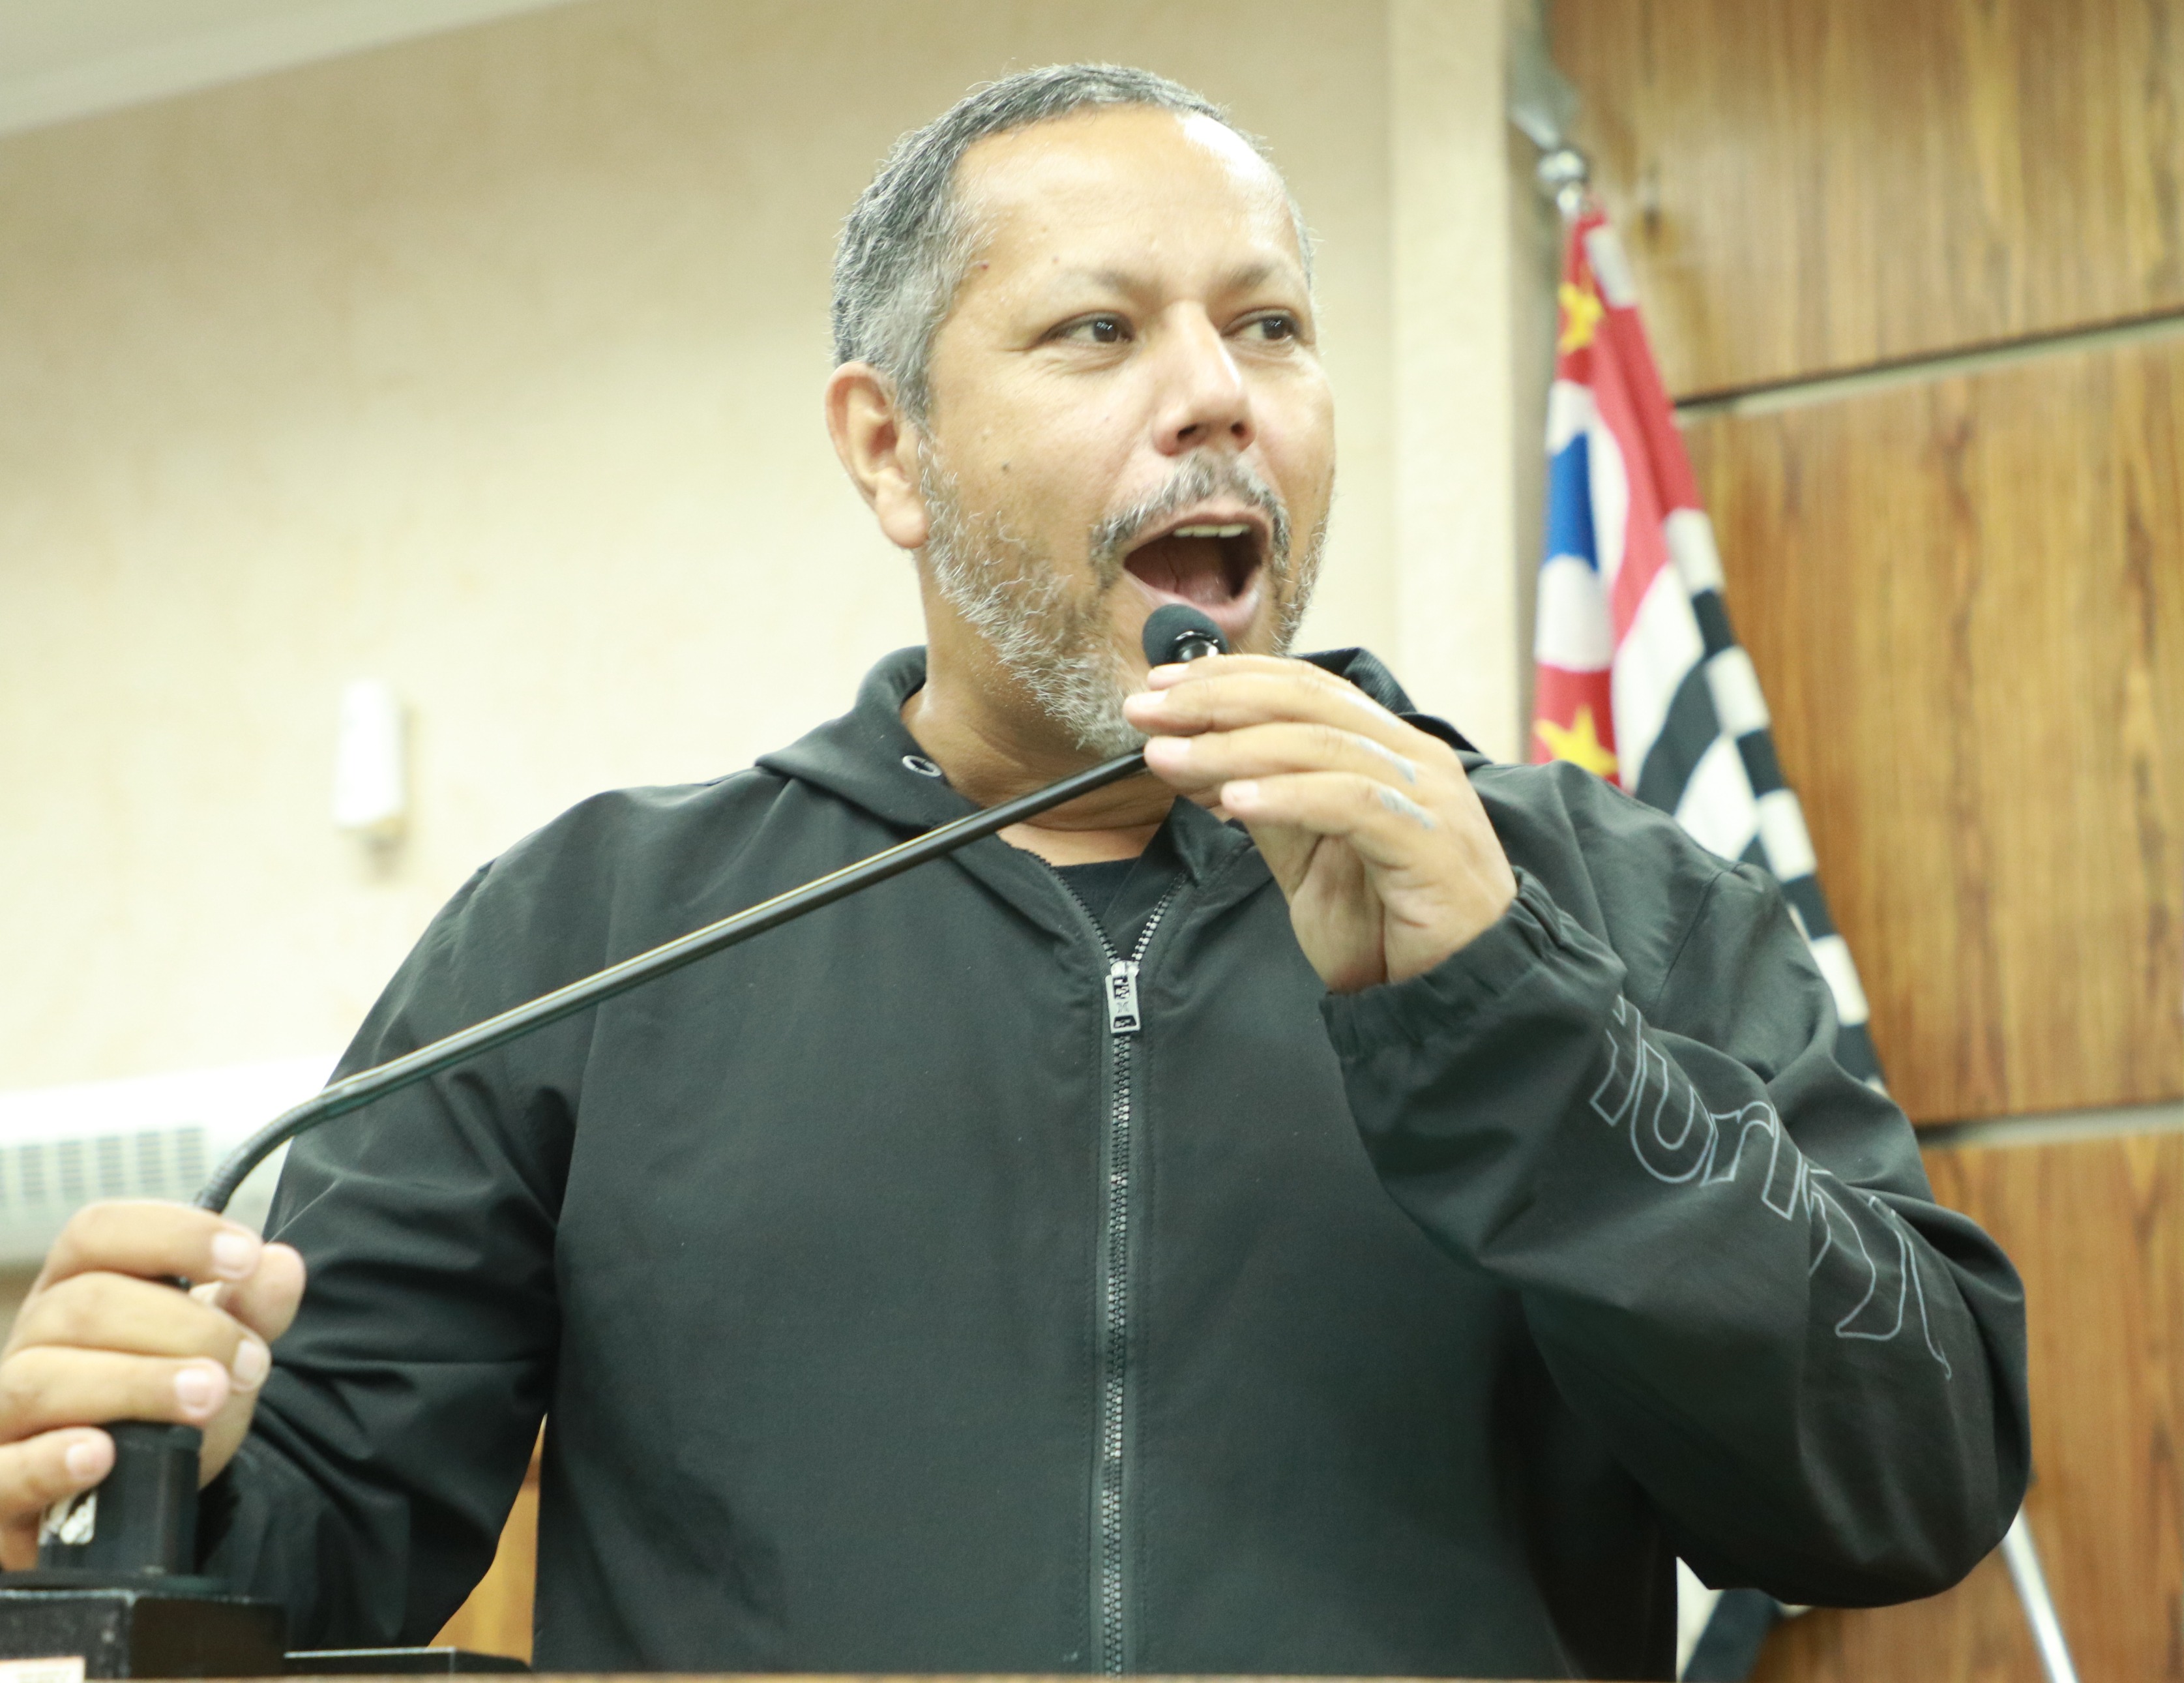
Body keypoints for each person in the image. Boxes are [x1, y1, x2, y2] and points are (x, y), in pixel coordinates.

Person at [0, 65, 2028, 1677]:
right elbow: (294, 1575)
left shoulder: (1612, 901)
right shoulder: (589, 936)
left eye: (1270, 325)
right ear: (890, 451)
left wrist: (1510, 1013)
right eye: (1098, 331)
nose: (1216, 392)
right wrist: (121, 1483)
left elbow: (1909, 1486)